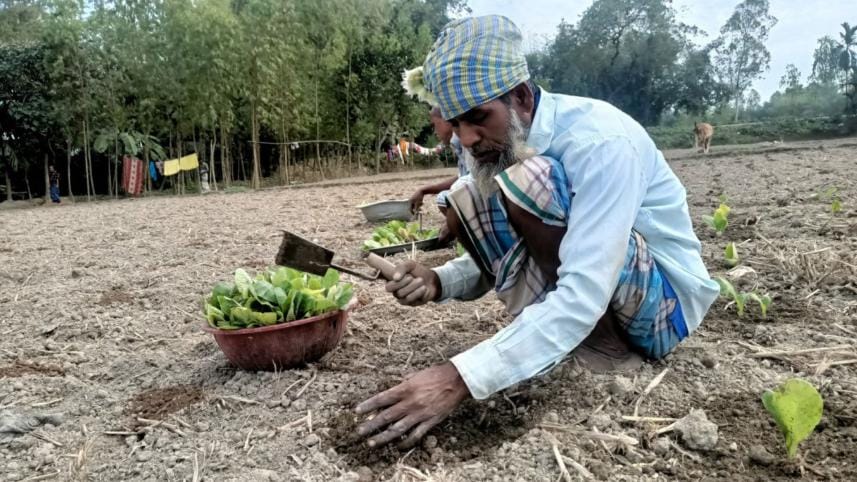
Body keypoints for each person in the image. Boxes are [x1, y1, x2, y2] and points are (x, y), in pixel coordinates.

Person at [353, 15, 719, 450]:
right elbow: (515, 251)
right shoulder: (496, 142)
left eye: (479, 118)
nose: (467, 139)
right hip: (596, 289)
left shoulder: (600, 142)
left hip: (662, 312)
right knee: (467, 191)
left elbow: (586, 285)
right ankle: (556, 340)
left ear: (523, 96)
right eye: (457, 123)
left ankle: (607, 355)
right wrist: (439, 281)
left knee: (529, 178)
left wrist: (460, 377)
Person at [408, 108, 472, 222]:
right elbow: (463, 177)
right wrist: (424, 190)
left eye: (435, 125)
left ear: (447, 121)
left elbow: (469, 181)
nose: (434, 132)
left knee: (444, 199)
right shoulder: (457, 144)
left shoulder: (467, 143)